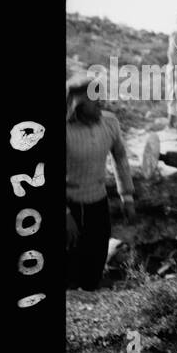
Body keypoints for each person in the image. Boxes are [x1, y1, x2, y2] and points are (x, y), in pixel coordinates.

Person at [66, 74, 135, 290]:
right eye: (94, 101)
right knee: (69, 269)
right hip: (71, 207)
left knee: (94, 264)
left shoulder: (110, 123)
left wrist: (127, 197)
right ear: (78, 104)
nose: (100, 104)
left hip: (98, 203)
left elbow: (120, 158)